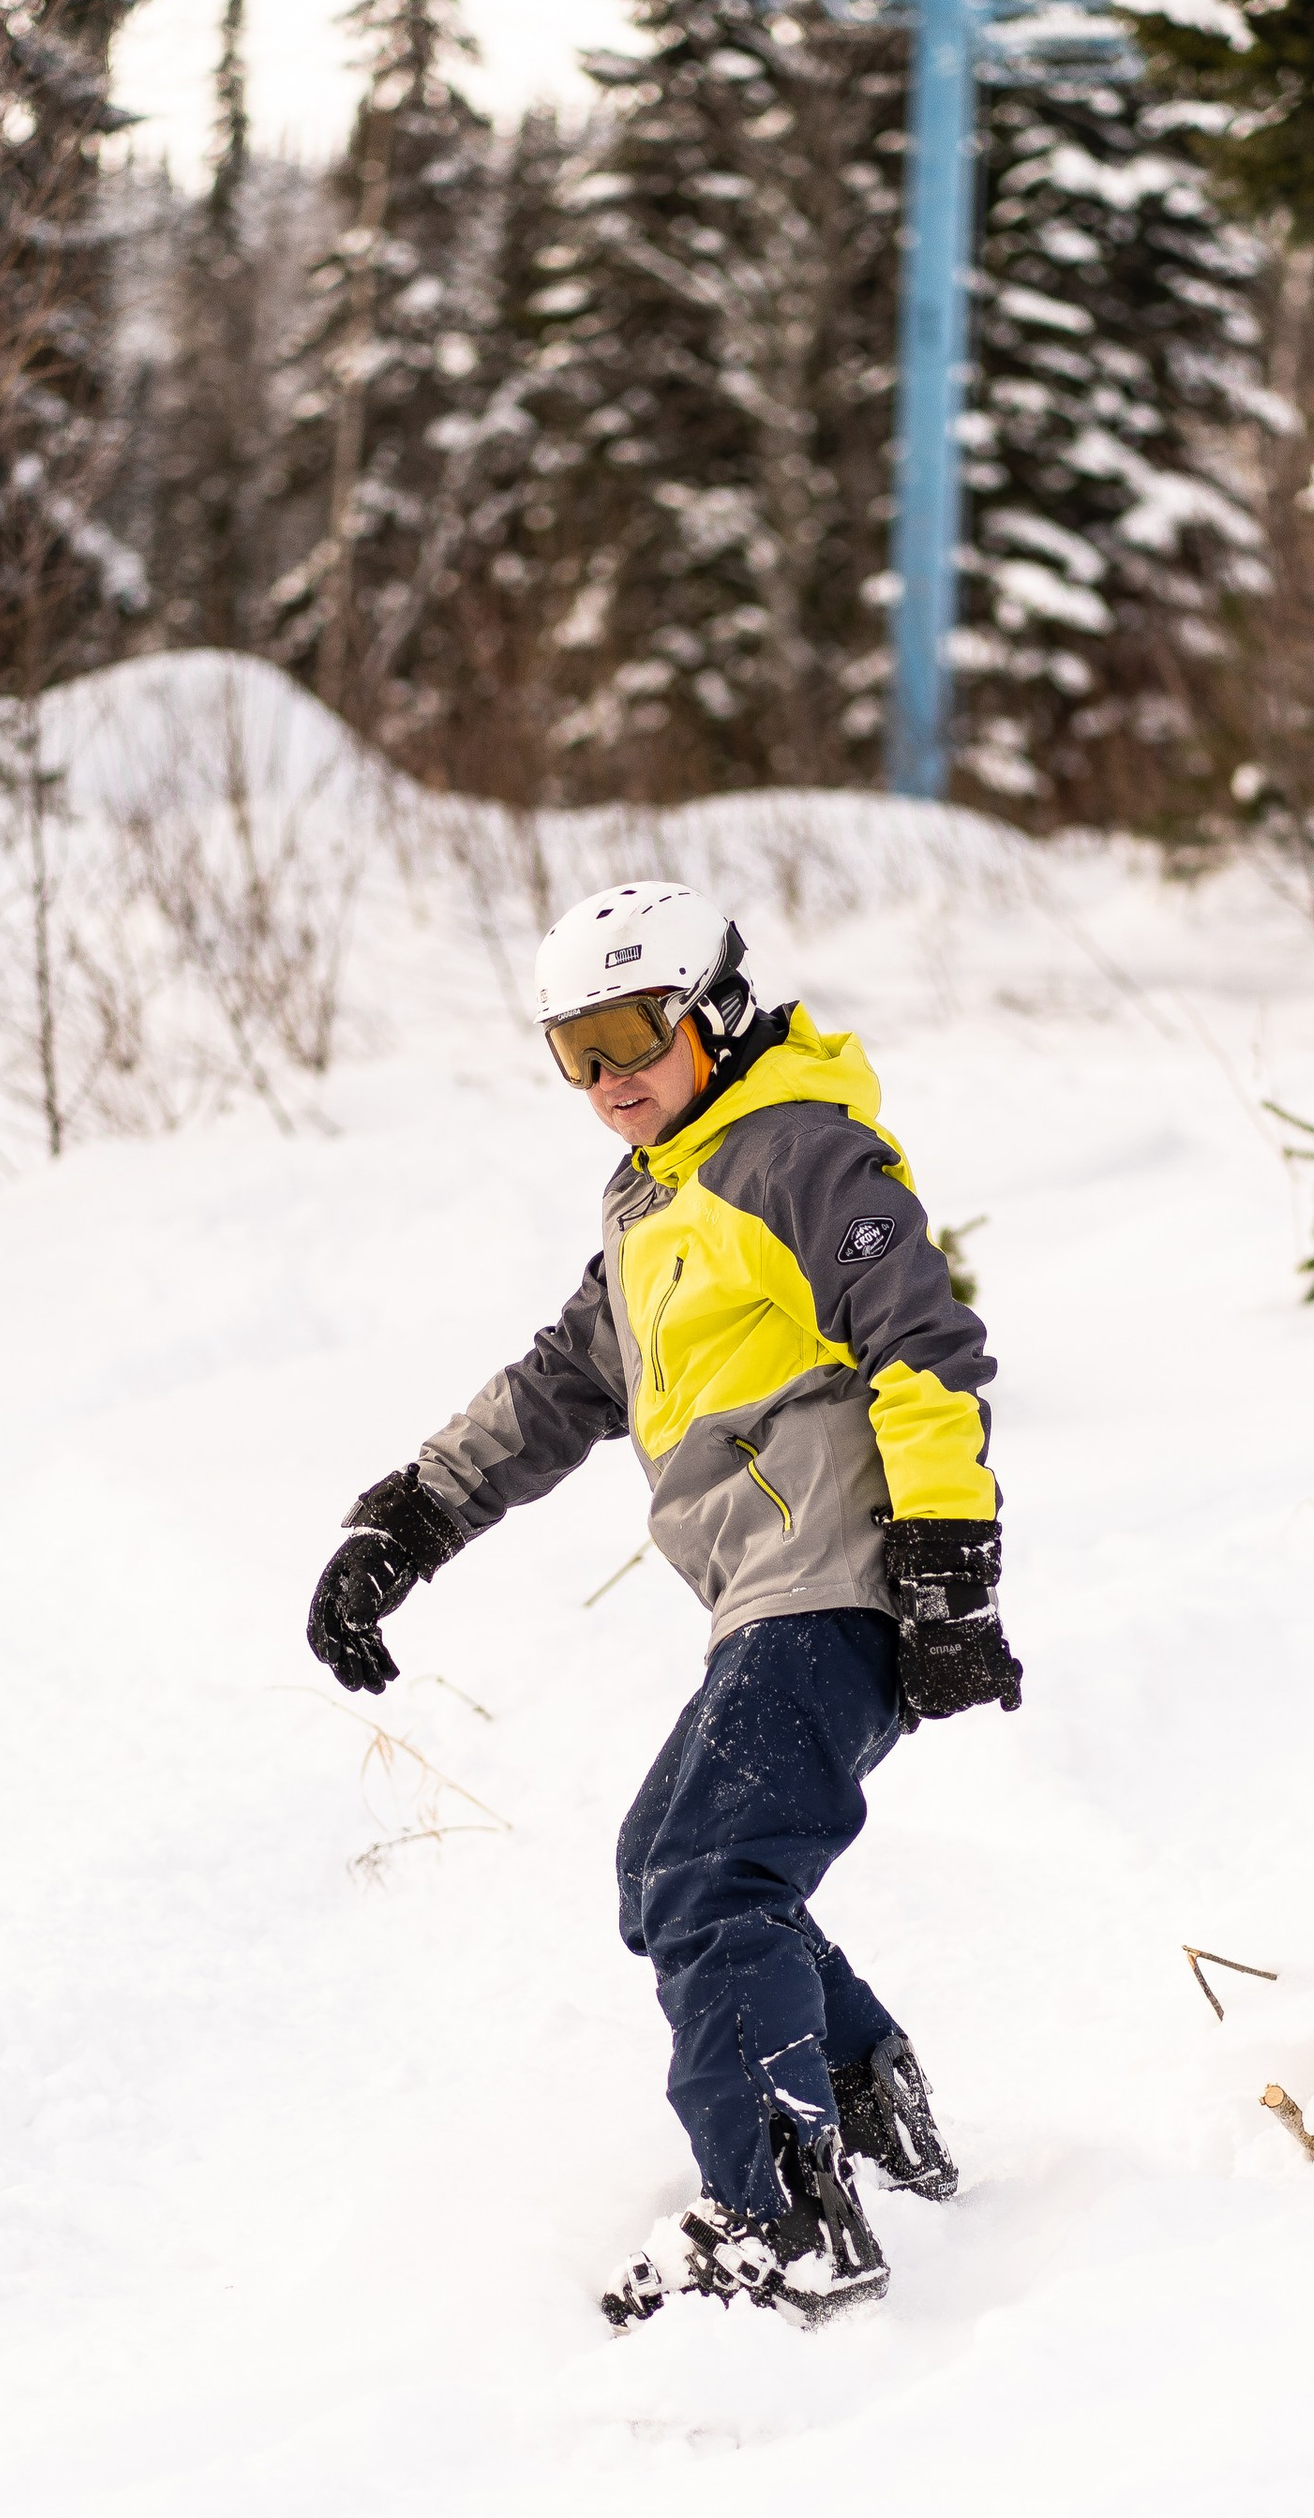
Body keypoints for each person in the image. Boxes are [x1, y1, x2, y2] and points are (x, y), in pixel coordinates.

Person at [305, 880, 1021, 2327]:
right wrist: (407, 1519)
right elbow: (556, 1387)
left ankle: (780, 2221)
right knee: (670, 1867)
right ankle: (869, 2111)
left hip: (842, 1583)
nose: (611, 1075)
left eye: (636, 1030)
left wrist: (947, 1571)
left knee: (709, 1872)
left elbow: (926, 1347)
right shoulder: (657, 1204)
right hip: (767, 1596)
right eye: (576, 1051)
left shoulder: (800, 1156)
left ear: (717, 1010)